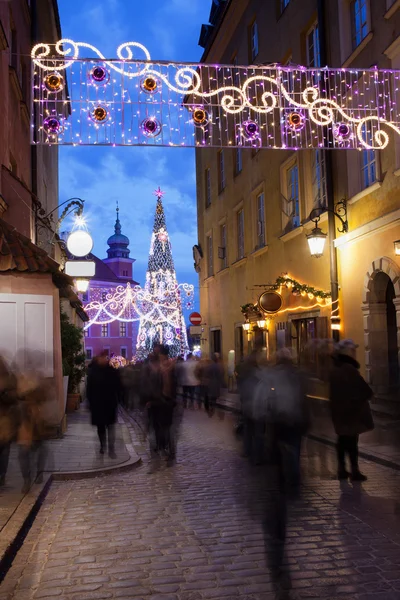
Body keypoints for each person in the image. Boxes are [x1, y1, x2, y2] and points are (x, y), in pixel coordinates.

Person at [329, 339, 374, 482]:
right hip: (352, 412)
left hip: (339, 412)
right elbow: (365, 390)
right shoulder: (349, 370)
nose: (355, 352)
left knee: (342, 440)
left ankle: (342, 469)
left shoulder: (335, 369)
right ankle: (354, 471)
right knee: (352, 443)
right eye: (353, 350)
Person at [87, 351, 120, 458]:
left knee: (110, 427)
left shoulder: (111, 371)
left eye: (104, 358)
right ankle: (102, 446)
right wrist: (90, 403)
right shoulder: (93, 372)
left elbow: (117, 386)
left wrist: (117, 401)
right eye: (101, 358)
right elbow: (89, 389)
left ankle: (111, 448)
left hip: (109, 404)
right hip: (98, 405)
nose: (103, 359)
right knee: (101, 428)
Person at [0, 357, 19, 486]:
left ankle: (2, 475)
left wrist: (4, 392)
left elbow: (13, 397)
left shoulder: (7, 377)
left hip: (4, 418)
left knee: (4, 448)